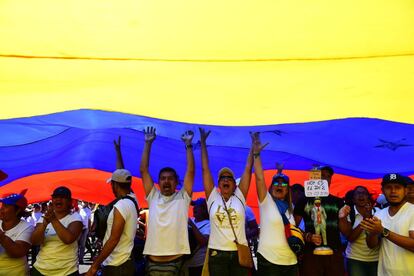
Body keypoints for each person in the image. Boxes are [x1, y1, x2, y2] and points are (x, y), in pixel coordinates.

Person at [140, 127, 195, 275]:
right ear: (158, 182)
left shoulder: (183, 198)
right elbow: (144, 170)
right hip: (152, 263)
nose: (166, 181)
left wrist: (188, 145)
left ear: (177, 182)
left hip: (176, 262)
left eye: (170, 178)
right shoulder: (153, 197)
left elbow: (190, 171)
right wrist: (148, 144)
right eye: (163, 178)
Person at [199, 128, 253, 276]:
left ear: (235, 185)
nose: (226, 180)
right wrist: (203, 144)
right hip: (217, 254)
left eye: (229, 178)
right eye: (222, 178)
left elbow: (248, 170)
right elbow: (205, 170)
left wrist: (254, 146)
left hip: (238, 253)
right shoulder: (213, 198)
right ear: (218, 184)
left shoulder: (239, 197)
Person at [86, 136, 139, 276]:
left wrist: (94, 266)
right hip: (124, 262)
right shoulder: (133, 199)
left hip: (117, 266)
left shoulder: (121, 206)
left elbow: (114, 239)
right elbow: (122, 171)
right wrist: (118, 151)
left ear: (115, 185)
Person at [251, 133, 298, 276]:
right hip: (270, 262)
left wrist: (280, 173)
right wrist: (257, 154)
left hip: (291, 262)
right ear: (271, 188)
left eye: (283, 184)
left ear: (288, 189)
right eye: (276, 183)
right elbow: (259, 178)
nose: (279, 185)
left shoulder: (291, 208)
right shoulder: (266, 202)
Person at [293, 166, 349, 276]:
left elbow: (347, 233)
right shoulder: (303, 201)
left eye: (329, 176)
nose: (326, 178)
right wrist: (308, 236)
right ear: (315, 177)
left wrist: (342, 218)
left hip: (334, 253)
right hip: (311, 254)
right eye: (322, 175)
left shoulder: (338, 202)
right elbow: (294, 229)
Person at [360, 173, 414, 276]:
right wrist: (372, 232)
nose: (393, 191)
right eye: (389, 187)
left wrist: (383, 231)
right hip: (385, 272)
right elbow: (371, 245)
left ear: (405, 190)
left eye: (397, 187)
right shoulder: (379, 214)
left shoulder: (412, 211)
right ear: (383, 191)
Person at [31, 186, 83, 276]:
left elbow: (68, 239)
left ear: (70, 201)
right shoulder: (44, 218)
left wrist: (53, 220)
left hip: (67, 271)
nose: (58, 200)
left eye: (62, 197)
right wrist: (44, 224)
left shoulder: (75, 218)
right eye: (55, 197)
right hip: (40, 270)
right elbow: (35, 241)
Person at [343, 186, 379, 276]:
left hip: (376, 258)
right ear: (353, 199)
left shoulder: (378, 212)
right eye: (358, 193)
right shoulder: (349, 213)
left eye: (364, 193)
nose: (361, 196)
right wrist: (366, 219)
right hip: (355, 259)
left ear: (368, 197)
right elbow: (351, 238)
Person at [0, 191, 33, 275]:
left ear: (17, 210)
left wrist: (2, 237)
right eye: (2, 205)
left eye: (6, 206)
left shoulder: (27, 227)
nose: (1, 208)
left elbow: (18, 252)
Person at [184, 198, 210, 276]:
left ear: (204, 209)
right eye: (194, 206)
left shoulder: (208, 224)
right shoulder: (191, 219)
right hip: (186, 263)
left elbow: (203, 242)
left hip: (199, 264)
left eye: (197, 206)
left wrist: (192, 224)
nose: (194, 207)